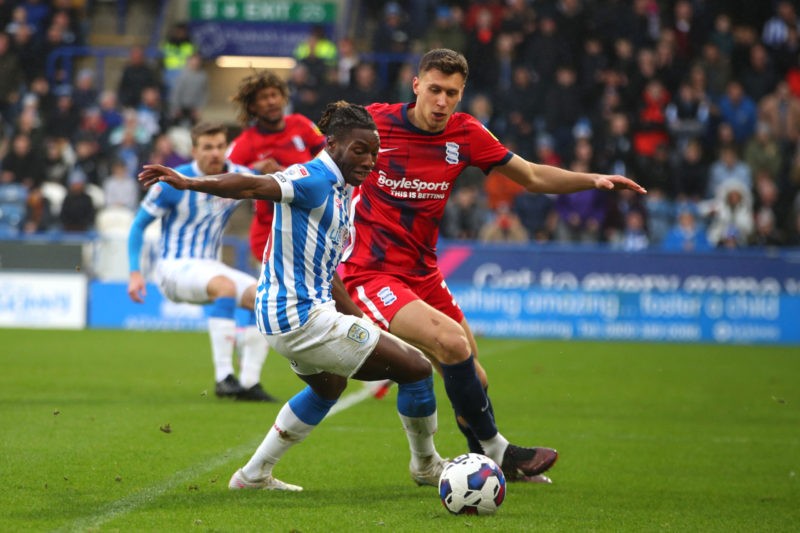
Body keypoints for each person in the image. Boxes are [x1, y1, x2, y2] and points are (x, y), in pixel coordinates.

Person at [340, 49, 647, 482]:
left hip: (423, 273)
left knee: (474, 377)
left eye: (452, 93)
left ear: (462, 94)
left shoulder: (465, 134)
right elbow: (322, 166)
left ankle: (478, 470)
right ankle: (500, 452)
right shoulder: (374, 124)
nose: (442, 101)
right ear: (416, 86)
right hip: (371, 272)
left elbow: (534, 176)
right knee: (450, 343)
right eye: (434, 90)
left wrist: (592, 179)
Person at [138, 101, 446, 491]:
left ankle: (253, 475)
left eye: (374, 152)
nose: (369, 161)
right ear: (332, 144)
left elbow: (325, 269)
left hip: (289, 315)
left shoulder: (340, 189)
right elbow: (251, 185)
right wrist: (190, 182)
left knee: (329, 387)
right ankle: (427, 466)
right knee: (417, 370)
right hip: (300, 317)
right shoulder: (312, 179)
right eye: (359, 151)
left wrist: (357, 316)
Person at [127, 122, 276, 403]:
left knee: (266, 299)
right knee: (225, 287)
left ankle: (249, 382)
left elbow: (262, 177)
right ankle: (224, 378)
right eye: (207, 148)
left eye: (220, 146)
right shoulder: (173, 182)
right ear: (194, 151)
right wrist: (135, 272)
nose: (215, 153)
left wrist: (265, 168)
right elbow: (138, 226)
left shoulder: (236, 176)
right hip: (174, 267)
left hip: (210, 265)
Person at [227, 70, 326, 262]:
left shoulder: (301, 125)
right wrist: (254, 169)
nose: (271, 101)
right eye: (263, 98)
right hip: (269, 233)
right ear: (253, 107)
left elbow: (329, 159)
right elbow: (224, 174)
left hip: (312, 225)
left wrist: (290, 174)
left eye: (274, 95)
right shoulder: (246, 143)